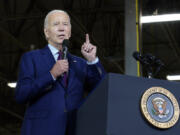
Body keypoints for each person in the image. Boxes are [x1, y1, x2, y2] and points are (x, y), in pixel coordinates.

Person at [15, 9, 106, 135]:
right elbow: (21, 94)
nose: (62, 28)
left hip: (74, 129)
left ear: (70, 31)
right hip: (41, 129)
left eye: (65, 24)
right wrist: (51, 75)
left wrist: (92, 60)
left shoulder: (80, 63)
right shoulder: (31, 58)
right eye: (56, 24)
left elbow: (101, 90)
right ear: (46, 32)